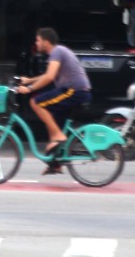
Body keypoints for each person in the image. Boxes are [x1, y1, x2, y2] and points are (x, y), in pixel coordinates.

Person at [18, 27, 92, 173]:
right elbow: (47, 74)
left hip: (74, 91)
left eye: (38, 40)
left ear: (46, 42)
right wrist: (29, 80)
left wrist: (30, 89)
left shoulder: (57, 51)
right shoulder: (58, 52)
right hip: (74, 91)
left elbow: (49, 77)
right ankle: (55, 163)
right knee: (52, 120)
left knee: (36, 102)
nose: (36, 43)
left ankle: (58, 136)